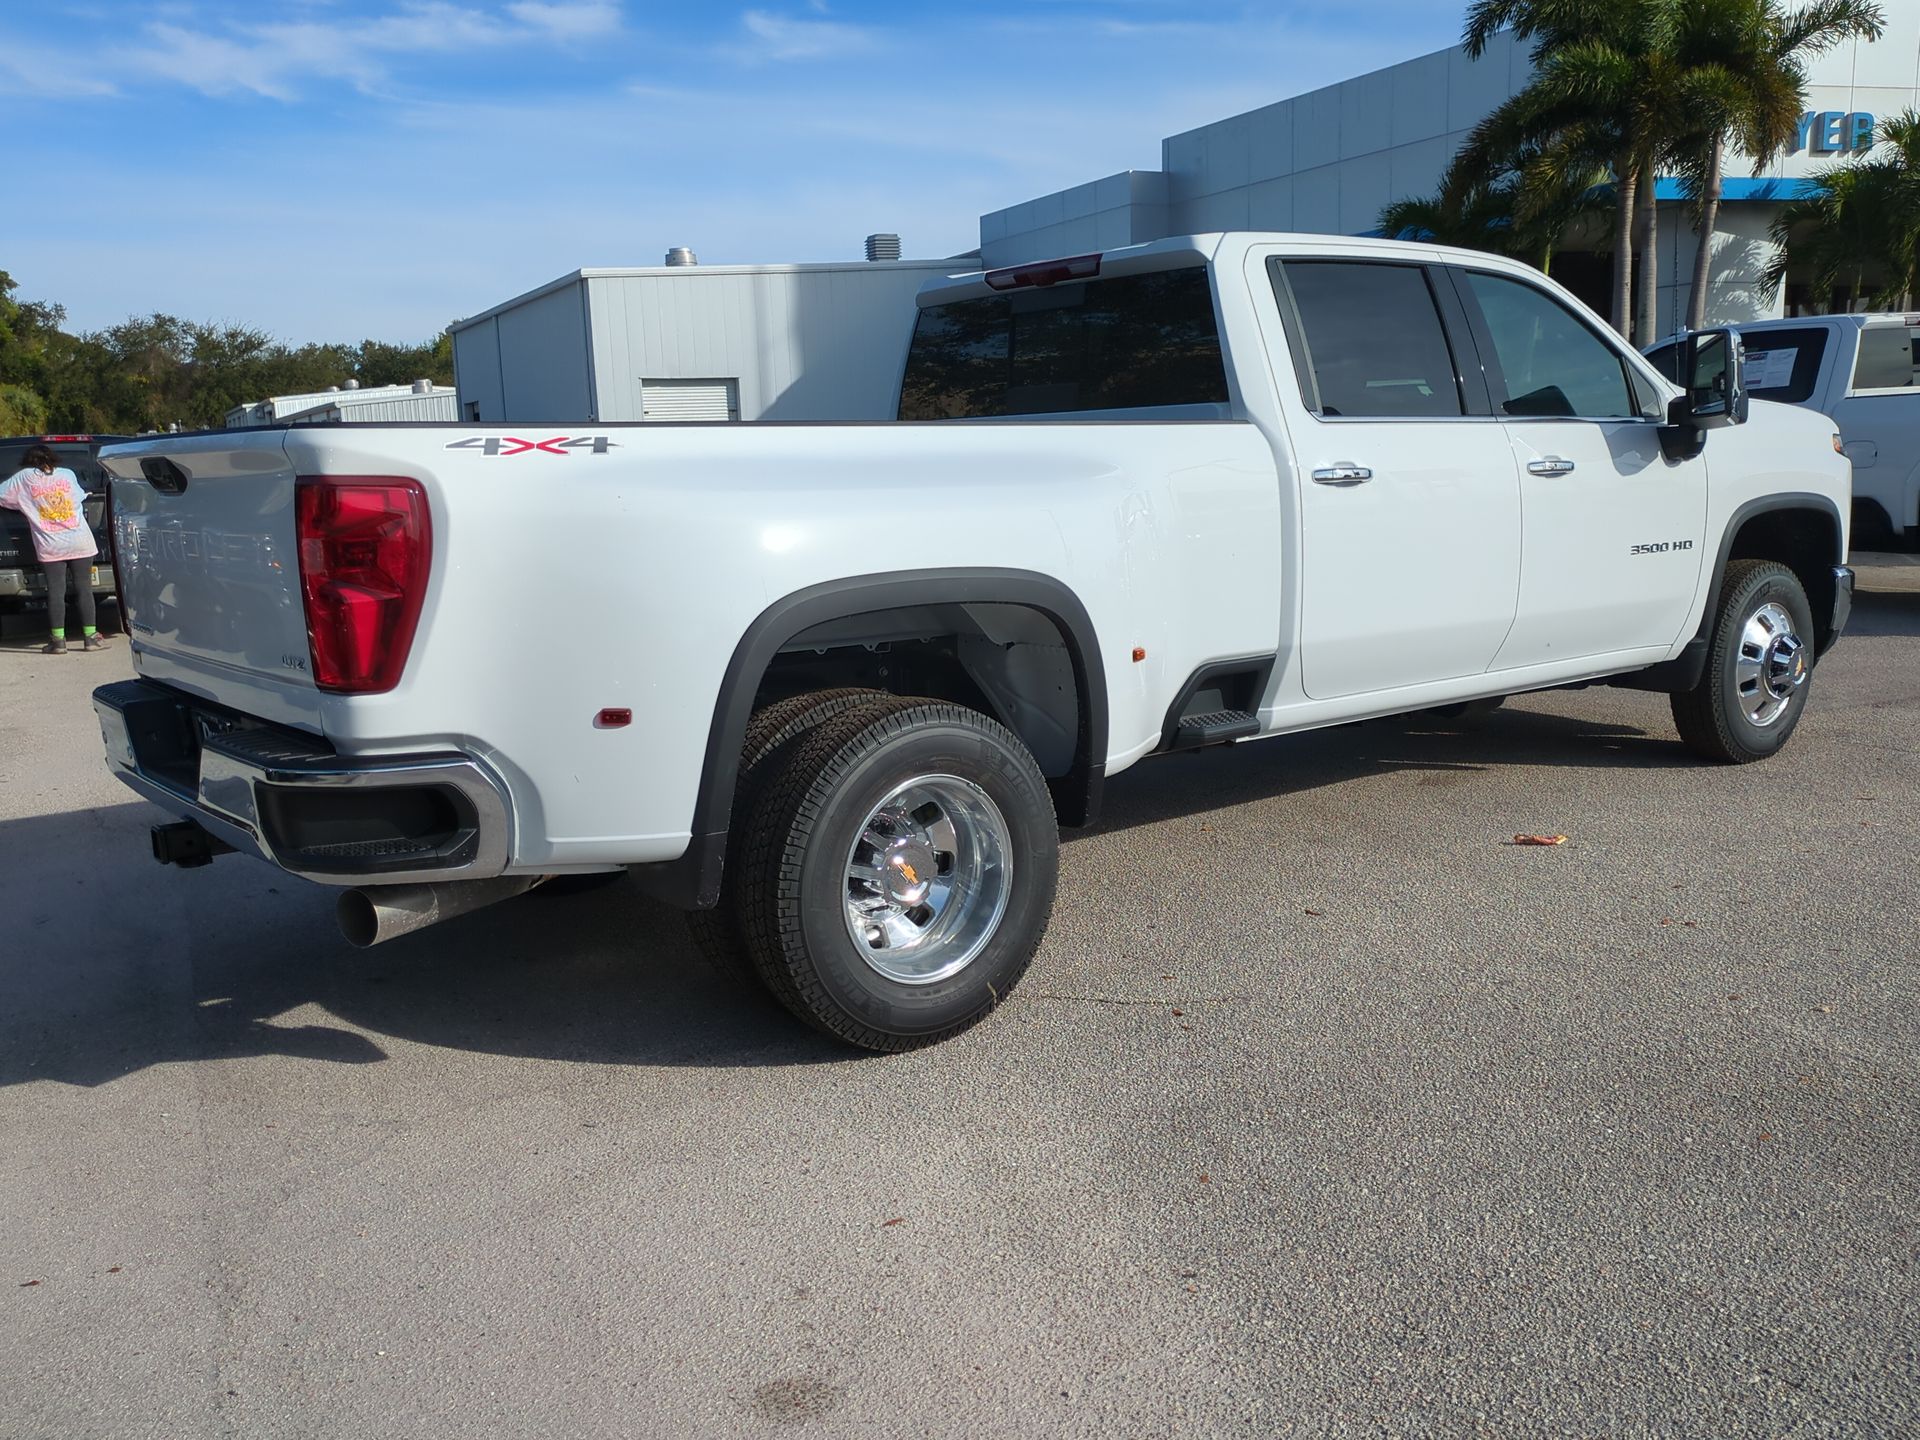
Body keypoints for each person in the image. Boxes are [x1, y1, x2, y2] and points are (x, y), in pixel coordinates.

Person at [0, 444, 113, 654]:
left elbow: (2, 495)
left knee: (56, 592)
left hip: (51, 545)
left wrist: (22, 503)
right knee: (84, 590)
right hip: (81, 541)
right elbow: (79, 496)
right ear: (52, 459)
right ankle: (90, 638)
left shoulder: (23, 478)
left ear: (29, 460)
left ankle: (58, 641)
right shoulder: (67, 474)